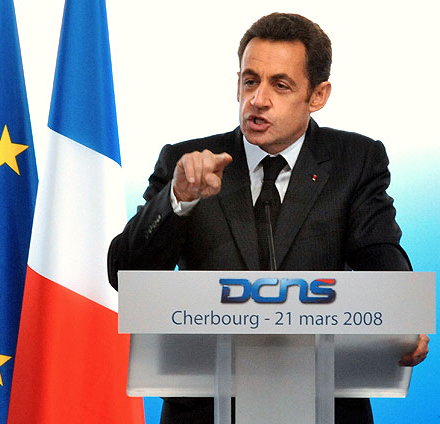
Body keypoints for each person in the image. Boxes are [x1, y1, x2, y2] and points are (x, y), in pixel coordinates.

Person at [107, 12, 429, 424]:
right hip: (206, 409)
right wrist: (178, 199)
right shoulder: (186, 163)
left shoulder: (355, 161)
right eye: (250, 81)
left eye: (280, 85)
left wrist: (402, 314)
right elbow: (125, 274)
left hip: (322, 404)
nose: (258, 100)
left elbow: (378, 250)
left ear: (318, 95)